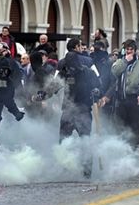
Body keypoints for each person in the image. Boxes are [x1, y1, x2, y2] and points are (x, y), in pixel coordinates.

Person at [32, 41, 101, 178]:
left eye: (72, 66)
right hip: (68, 110)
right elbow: (54, 85)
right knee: (63, 140)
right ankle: (63, 168)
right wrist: (43, 94)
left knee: (85, 141)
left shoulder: (87, 71)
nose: (70, 69)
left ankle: (87, 171)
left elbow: (98, 83)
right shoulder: (64, 71)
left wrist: (97, 91)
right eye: (67, 66)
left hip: (83, 109)